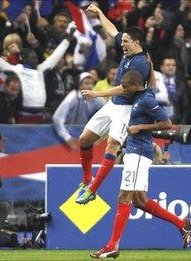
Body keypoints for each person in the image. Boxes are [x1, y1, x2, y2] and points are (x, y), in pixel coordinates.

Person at [90, 71, 191, 258]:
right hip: (133, 151)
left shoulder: (146, 100)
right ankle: (181, 224)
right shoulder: (138, 96)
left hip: (139, 153)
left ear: (136, 85)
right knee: (139, 200)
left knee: (123, 197)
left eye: (126, 87)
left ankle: (113, 245)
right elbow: (150, 79)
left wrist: (140, 128)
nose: (123, 90)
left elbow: (167, 123)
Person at [75, 4, 150, 204]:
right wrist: (100, 13)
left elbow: (125, 89)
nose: (122, 44)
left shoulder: (141, 64)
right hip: (113, 105)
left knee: (112, 147)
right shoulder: (128, 51)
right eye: (123, 41)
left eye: (126, 42)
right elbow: (112, 31)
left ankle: (92, 190)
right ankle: (86, 180)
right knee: (84, 140)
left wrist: (96, 93)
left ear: (136, 42)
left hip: (126, 109)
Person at [52, 72, 106, 150]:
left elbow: (110, 114)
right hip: (68, 133)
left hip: (86, 135)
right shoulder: (72, 97)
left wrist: (101, 136)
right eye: (86, 83)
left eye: (91, 84)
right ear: (79, 85)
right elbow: (57, 118)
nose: (90, 86)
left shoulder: (97, 98)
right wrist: (67, 137)